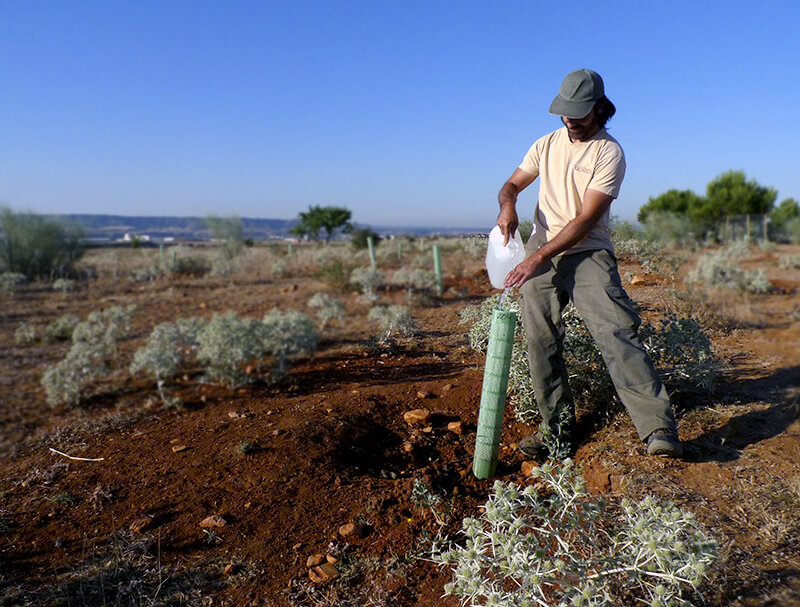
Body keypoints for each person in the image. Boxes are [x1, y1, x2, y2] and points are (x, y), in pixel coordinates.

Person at [496, 68, 683, 458]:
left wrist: (539, 257)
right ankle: (557, 433)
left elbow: (585, 220)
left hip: (588, 250)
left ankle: (657, 428)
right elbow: (511, 184)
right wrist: (509, 205)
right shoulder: (545, 144)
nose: (571, 122)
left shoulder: (608, 152)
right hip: (542, 251)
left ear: (600, 109)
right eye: (565, 114)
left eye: (579, 114)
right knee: (540, 342)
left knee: (616, 333)